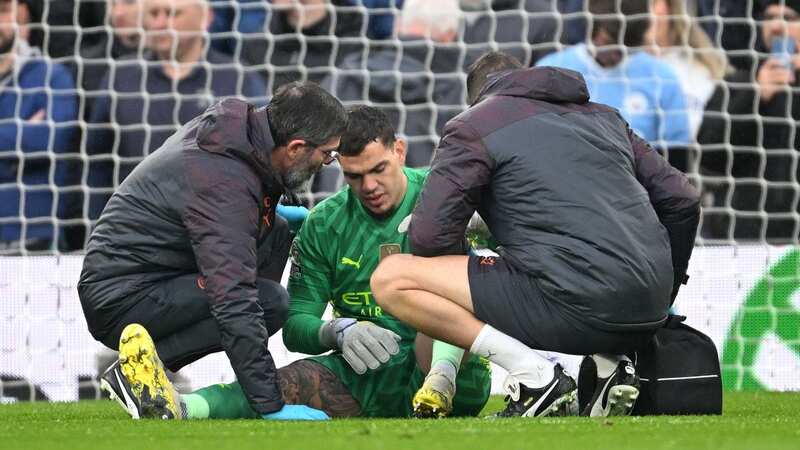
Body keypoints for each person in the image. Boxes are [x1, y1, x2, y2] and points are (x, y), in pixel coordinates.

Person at [101, 105, 492, 421]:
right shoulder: (324, 224)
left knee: (442, 292)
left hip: (454, 370)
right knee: (282, 385)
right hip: (363, 375)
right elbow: (295, 323)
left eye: (379, 170)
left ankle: (441, 380)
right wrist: (336, 331)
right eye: (355, 176)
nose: (369, 186)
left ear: (400, 151)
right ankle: (179, 408)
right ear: (339, 166)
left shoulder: (440, 195)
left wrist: (485, 227)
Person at [371, 51, 701, 417]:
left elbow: (430, 237)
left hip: (574, 303)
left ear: (479, 98)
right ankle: (612, 366)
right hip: (650, 310)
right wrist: (667, 287)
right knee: (565, 262)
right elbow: (683, 199)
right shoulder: (607, 118)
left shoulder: (473, 124)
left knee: (392, 277)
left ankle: (536, 378)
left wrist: (481, 267)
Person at [78, 81, 347, 421]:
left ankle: (147, 366)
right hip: (120, 296)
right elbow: (233, 296)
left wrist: (269, 216)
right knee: (265, 302)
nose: (327, 163)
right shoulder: (224, 183)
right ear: (294, 148)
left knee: (277, 236)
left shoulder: (238, 138)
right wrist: (269, 405)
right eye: (327, 154)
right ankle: (138, 372)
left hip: (146, 276)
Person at [84, 0, 266, 220]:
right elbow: (97, 163)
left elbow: (264, 157)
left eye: (172, 13)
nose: (161, 23)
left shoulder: (238, 78)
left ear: (205, 18)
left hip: (215, 226)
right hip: (137, 226)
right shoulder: (121, 77)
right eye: (154, 13)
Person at [698, 0, 800, 242]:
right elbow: (711, 156)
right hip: (746, 237)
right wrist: (755, 96)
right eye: (770, 17)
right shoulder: (737, 83)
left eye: (788, 18)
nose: (776, 26)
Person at [536, 0, 692, 153]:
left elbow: (678, 155)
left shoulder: (662, 78)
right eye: (610, 42)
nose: (619, 54)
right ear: (593, 28)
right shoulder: (551, 70)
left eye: (627, 48)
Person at [327, 0, 465, 168]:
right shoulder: (462, 91)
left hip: (343, 191)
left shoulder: (345, 75)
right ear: (451, 35)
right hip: (428, 191)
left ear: (398, 24)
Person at [0, 0, 79, 253]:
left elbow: (49, 139)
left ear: (21, 15)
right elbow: (32, 141)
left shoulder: (51, 76)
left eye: (1, 11)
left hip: (34, 237)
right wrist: (19, 134)